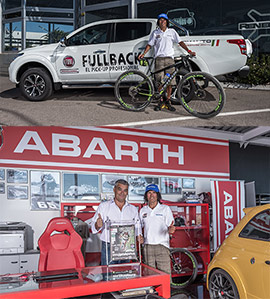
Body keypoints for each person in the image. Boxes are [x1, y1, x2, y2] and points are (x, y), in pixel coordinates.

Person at [138, 13, 196, 111]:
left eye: (164, 20)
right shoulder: (155, 33)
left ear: (167, 22)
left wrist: (189, 51)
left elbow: (180, 42)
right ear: (158, 22)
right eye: (160, 20)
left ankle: (168, 101)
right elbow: (149, 44)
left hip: (169, 60)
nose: (162, 21)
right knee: (160, 81)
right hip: (159, 60)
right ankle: (161, 101)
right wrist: (143, 53)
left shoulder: (172, 32)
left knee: (169, 82)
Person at [91, 179, 143, 265]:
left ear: (127, 192)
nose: (122, 193)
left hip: (126, 247)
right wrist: (97, 225)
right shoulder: (104, 207)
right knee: (108, 275)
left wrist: (139, 236)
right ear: (114, 189)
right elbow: (94, 227)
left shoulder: (133, 209)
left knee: (124, 273)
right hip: (109, 247)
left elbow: (137, 226)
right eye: (119, 189)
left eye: (125, 190)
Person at [139, 184, 175, 275]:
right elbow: (138, 226)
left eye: (154, 193)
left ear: (158, 195)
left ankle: (166, 290)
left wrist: (171, 229)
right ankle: (152, 290)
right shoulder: (143, 210)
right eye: (149, 193)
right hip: (148, 246)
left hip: (162, 245)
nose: (151, 195)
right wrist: (139, 236)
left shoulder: (165, 209)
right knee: (150, 275)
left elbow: (171, 225)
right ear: (146, 195)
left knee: (165, 274)